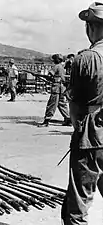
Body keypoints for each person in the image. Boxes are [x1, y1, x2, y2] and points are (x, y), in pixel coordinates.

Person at [61, 3, 103, 224]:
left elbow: (75, 108)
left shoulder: (86, 58)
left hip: (92, 136)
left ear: (91, 27)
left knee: (77, 205)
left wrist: (79, 129)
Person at [38, 54, 71, 127]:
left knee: (52, 104)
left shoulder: (56, 66)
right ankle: (68, 119)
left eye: (54, 59)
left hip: (56, 87)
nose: (53, 60)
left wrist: (40, 76)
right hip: (62, 88)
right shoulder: (61, 67)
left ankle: (46, 121)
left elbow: (50, 76)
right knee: (62, 104)